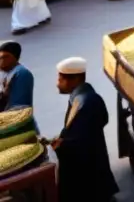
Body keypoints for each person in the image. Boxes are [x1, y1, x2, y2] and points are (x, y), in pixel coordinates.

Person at [44, 57, 118, 202]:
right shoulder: (81, 96)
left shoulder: (87, 101)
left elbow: (81, 139)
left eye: (60, 80)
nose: (57, 84)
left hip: (87, 160)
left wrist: (62, 144)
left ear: (75, 79)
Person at [0, 41, 34, 114]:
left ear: (15, 57)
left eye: (4, 57)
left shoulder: (21, 74)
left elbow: (19, 107)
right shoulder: (4, 73)